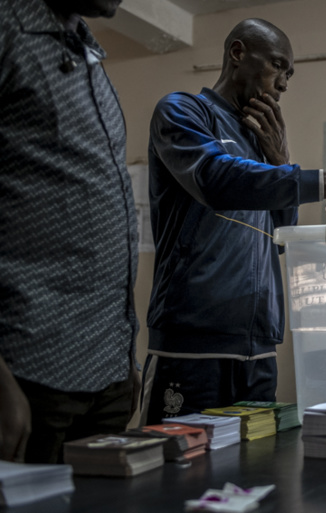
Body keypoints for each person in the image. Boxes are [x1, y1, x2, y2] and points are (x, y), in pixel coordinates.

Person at [141, 18, 326, 425]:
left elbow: (279, 235)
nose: (283, 82)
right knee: (178, 458)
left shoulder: (258, 139)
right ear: (238, 53)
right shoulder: (183, 111)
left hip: (260, 344)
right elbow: (216, 180)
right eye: (278, 65)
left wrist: (280, 158)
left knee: (252, 461)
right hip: (194, 340)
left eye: (289, 74)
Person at [0, 0, 140, 463]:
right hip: (29, 371)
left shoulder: (88, 55)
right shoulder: (7, 30)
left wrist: (125, 357)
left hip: (107, 372)